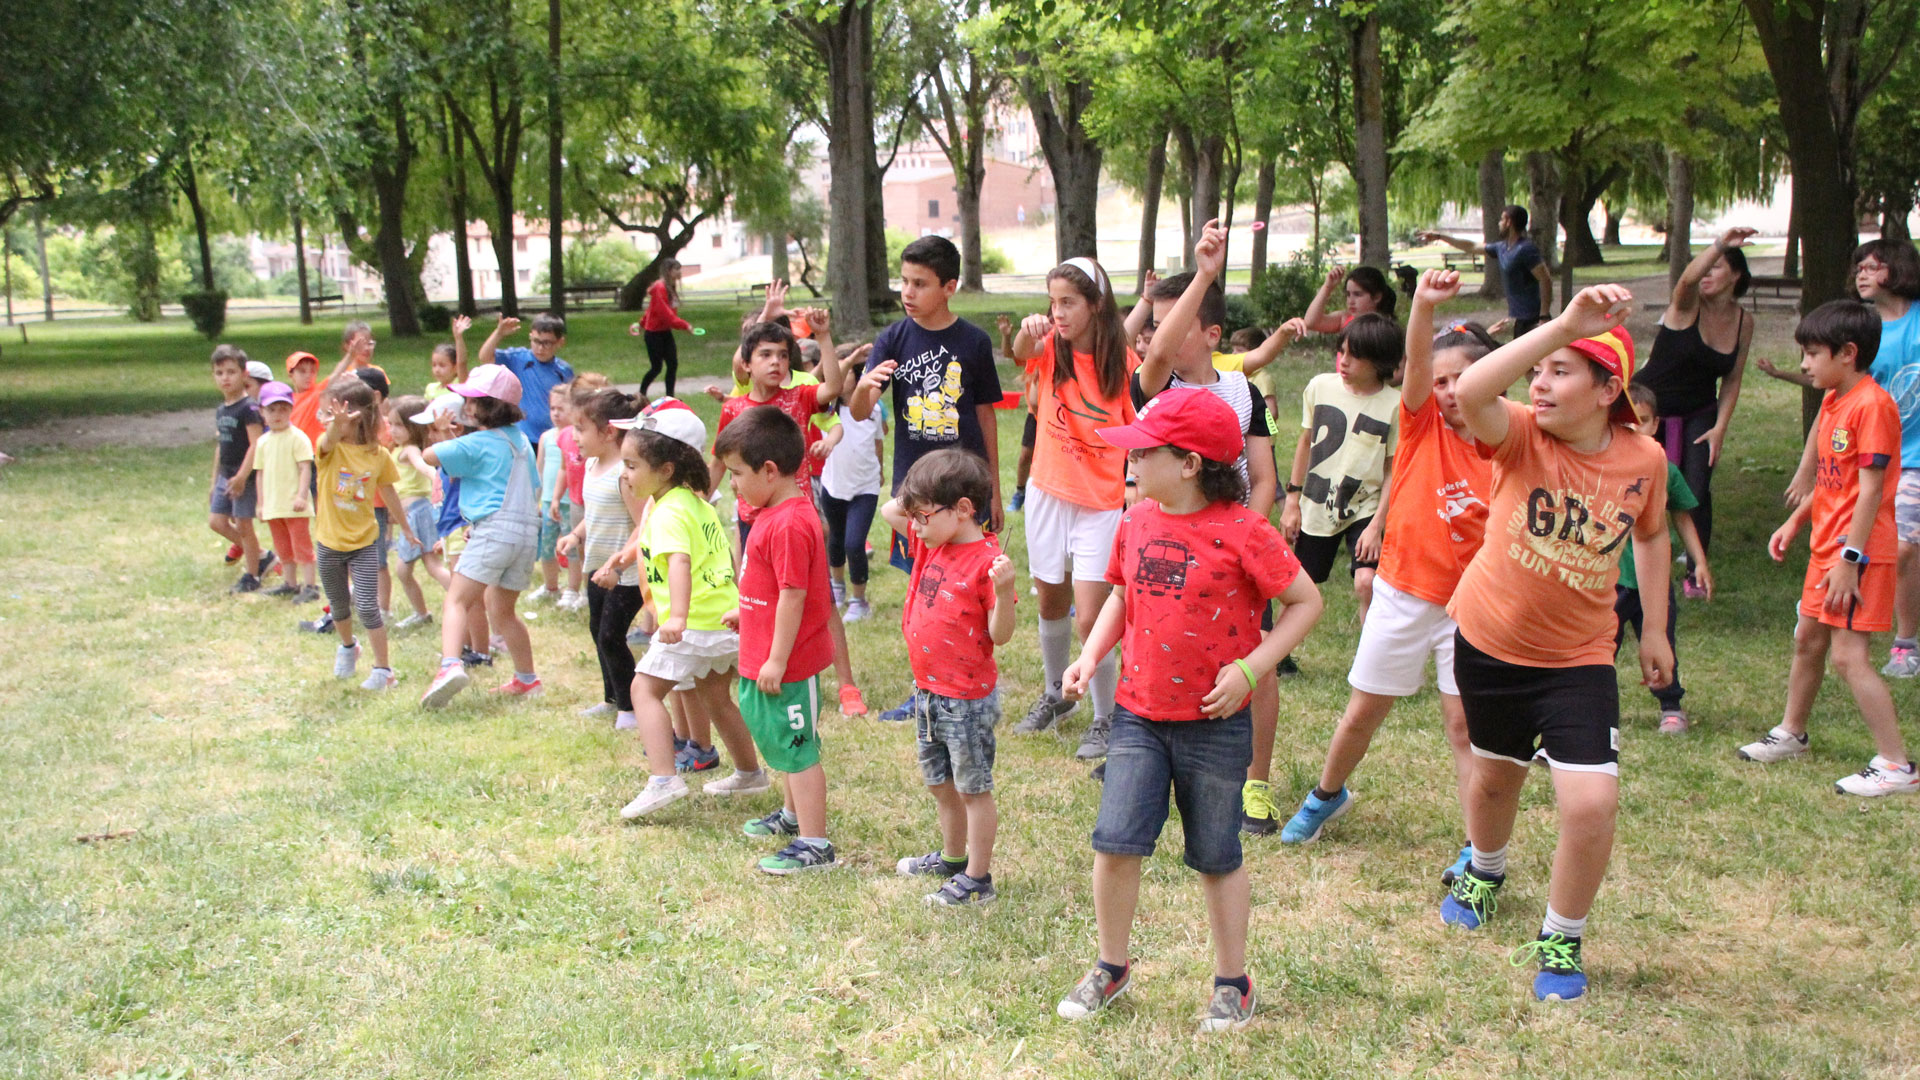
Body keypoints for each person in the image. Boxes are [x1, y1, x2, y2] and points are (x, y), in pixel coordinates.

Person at [1052, 388, 1322, 1032]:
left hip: (1215, 724)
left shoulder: (1245, 531)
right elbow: (1122, 594)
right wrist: (1090, 656)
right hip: (1139, 716)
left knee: (1216, 855)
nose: (1132, 465)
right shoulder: (1136, 519)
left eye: (1144, 454)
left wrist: (1251, 668)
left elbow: (1306, 603)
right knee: (1115, 845)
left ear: (1192, 463)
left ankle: (1234, 982)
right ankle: (1110, 967)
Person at [1439, 284, 1672, 1004]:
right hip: (1488, 641)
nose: (1540, 382)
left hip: (1579, 659)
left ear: (1609, 392)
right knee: (1496, 776)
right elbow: (1471, 390)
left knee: (1591, 803)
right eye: (1539, 370)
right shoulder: (1517, 433)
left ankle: (1562, 934)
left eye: (1562, 371)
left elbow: (1653, 535)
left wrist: (1656, 627)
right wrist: (1562, 327)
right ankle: (1485, 867)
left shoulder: (1644, 461)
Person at [1276, 271, 1492, 873]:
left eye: (1463, 380)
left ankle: (1478, 847)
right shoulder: (1419, 418)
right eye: (1441, 380)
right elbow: (1418, 367)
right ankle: (1327, 793)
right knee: (1362, 712)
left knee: (1461, 727)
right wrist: (1423, 304)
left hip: (1470, 608)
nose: (1450, 391)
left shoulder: (1509, 439)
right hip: (1403, 591)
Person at [1134, 221, 1286, 807]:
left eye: (1176, 320)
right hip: (1171, 545)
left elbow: (1264, 477)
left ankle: (1256, 782)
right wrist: (1203, 274)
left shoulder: (1243, 392)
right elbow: (1160, 354)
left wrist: (1245, 536)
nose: (1157, 335)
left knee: (1259, 660)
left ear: (1212, 332)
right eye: (1154, 323)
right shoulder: (1157, 386)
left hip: (1237, 546)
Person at [1740, 301, 1918, 796]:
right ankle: (1791, 733)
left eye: (1812, 353)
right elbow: (1833, 480)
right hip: (1829, 551)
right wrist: (1796, 521)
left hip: (1856, 555)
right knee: (1807, 639)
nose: (1803, 364)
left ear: (1848, 353)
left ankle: (1897, 765)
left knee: (1848, 656)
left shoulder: (1872, 405)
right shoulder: (1835, 400)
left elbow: (1870, 488)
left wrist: (1850, 559)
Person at [1007, 256, 1139, 746]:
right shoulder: (1050, 347)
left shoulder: (1123, 363)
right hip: (1046, 492)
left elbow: (1140, 429)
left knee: (1090, 615)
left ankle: (1106, 717)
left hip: (1100, 502)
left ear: (1096, 306)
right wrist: (1028, 330)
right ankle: (1055, 692)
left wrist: (1136, 488)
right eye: (1052, 302)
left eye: (1068, 303)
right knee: (1050, 599)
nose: (1057, 313)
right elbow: (1020, 351)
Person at [617, 401, 771, 815]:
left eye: (632, 465)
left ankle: (663, 779)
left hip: (693, 624)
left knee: (643, 690)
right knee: (716, 696)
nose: (625, 475)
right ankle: (749, 773)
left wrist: (678, 618)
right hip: (722, 620)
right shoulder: (696, 504)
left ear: (666, 469)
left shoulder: (667, 512)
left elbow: (679, 562)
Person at [880, 450, 1018, 905]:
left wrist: (1002, 593)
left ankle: (978, 878)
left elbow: (1001, 634)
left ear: (963, 510)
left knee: (972, 788)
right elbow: (889, 510)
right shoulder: (930, 541)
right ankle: (953, 858)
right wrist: (919, 497)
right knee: (940, 783)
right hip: (927, 692)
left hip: (965, 699)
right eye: (914, 516)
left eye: (921, 516)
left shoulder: (987, 563)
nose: (913, 526)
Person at [714, 313, 869, 718]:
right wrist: (701, 494)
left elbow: (833, 388)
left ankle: (846, 683)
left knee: (817, 600)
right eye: (765, 354)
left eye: (783, 355)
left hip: (795, 520)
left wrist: (824, 335)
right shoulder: (734, 407)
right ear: (745, 365)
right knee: (757, 597)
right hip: (751, 520)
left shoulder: (798, 397)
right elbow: (720, 460)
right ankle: (765, 666)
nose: (776, 363)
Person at [714, 407, 840, 874]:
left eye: (737, 474)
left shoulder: (789, 522)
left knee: (799, 748)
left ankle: (815, 845)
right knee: (784, 743)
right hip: (766, 650)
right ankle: (792, 817)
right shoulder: (770, 511)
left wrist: (776, 658)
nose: (732, 484)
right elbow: (769, 587)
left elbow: (794, 595)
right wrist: (747, 611)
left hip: (788, 663)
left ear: (769, 471)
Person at [1631, 227, 1755, 601]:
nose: (1707, 274)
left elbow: (1732, 380)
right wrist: (1718, 244)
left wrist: (1720, 427)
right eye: (1707, 266)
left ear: (1735, 275)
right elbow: (1686, 278)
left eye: (1717, 267)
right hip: (1648, 408)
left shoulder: (1743, 321)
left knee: (1695, 491)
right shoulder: (1686, 305)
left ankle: (1694, 573)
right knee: (1635, 484)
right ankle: (1625, 563)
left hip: (1700, 411)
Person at [849, 236, 1005, 531]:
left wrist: (994, 491)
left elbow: (986, 416)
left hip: (965, 483)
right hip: (914, 482)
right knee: (921, 573)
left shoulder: (975, 341)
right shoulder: (892, 339)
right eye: (904, 281)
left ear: (949, 287)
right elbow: (859, 412)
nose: (907, 293)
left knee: (963, 570)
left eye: (919, 284)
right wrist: (860, 387)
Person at [419, 364, 544, 707]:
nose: (466, 406)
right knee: (502, 610)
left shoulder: (478, 442)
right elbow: (530, 485)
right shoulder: (521, 442)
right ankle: (527, 678)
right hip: (525, 534)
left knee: (457, 599)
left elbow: (431, 456)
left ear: (489, 406)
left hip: (493, 529)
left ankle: (449, 666)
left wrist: (441, 431)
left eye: (472, 401)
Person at [1281, 313, 1402, 628]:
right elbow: (1305, 443)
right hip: (1318, 502)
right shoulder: (1320, 387)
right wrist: (1292, 501)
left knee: (1366, 581)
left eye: (1355, 355)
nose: (1344, 361)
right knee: (1300, 583)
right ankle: (1280, 657)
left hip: (1365, 505)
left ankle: (1370, 659)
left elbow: (1393, 469)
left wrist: (1377, 525)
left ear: (1380, 361)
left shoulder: (1395, 405)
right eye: (1342, 351)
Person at [312, 376, 418, 690]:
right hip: (329, 541)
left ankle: (383, 671)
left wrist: (407, 528)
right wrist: (334, 425)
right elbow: (328, 441)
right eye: (328, 415)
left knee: (369, 606)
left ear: (358, 417)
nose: (328, 420)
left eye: (333, 414)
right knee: (339, 605)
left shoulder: (378, 455)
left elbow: (388, 492)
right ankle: (348, 647)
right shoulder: (328, 449)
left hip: (365, 542)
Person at [1617, 383, 1711, 733]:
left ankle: (1671, 705)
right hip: (1610, 582)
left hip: (1653, 584)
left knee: (1661, 642)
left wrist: (1698, 561)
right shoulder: (1602, 467)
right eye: (1626, 421)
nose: (1633, 429)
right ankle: (1594, 709)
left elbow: (1682, 515)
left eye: (1641, 421)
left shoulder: (1664, 469)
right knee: (1597, 649)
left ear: (1655, 424)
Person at [554, 388, 647, 729]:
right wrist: (575, 534)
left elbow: (644, 524)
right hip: (598, 568)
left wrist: (619, 562)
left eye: (580, 429)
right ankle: (612, 698)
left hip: (627, 574)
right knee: (598, 631)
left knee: (612, 636)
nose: (573, 437)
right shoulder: (594, 465)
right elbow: (593, 514)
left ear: (608, 433)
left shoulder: (624, 474)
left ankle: (631, 708)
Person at [1418, 205, 1553, 337]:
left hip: (1533, 318)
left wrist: (1544, 315)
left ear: (1508, 222)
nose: (1499, 223)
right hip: (1519, 318)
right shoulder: (1502, 248)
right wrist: (1440, 236)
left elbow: (1545, 279)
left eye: (1501, 219)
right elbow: (1471, 246)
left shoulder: (1526, 249)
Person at [820, 360, 885, 622]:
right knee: (835, 539)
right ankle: (837, 586)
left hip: (865, 487)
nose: (839, 378)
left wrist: (880, 471)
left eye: (845, 373)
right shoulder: (825, 411)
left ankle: (860, 601)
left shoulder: (873, 409)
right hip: (833, 485)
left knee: (854, 543)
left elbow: (878, 442)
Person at [208, 345, 271, 593]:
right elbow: (220, 446)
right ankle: (262, 554)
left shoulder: (249, 408)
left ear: (244, 374)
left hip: (243, 475)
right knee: (217, 521)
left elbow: (256, 444)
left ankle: (252, 574)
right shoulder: (222, 409)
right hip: (226, 473)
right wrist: (214, 481)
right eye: (219, 372)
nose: (225, 378)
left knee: (244, 525)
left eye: (231, 372)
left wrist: (243, 476)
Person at [253, 381, 319, 603]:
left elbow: (305, 467)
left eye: (283, 408)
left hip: (294, 504)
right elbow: (260, 473)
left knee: (302, 546)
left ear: (291, 409)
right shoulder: (262, 442)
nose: (277, 414)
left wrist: (302, 495)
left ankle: (311, 585)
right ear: (262, 412)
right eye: (271, 409)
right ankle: (290, 583)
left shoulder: (298, 437)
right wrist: (261, 504)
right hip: (274, 505)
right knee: (283, 547)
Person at [387, 396, 449, 631]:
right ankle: (422, 612)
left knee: (425, 567)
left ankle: (459, 598)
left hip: (417, 514)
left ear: (413, 427)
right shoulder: (399, 449)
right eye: (391, 424)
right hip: (411, 515)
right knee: (406, 570)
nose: (393, 430)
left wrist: (436, 478)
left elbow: (422, 465)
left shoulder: (410, 450)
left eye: (399, 425)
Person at [476, 313, 576, 442]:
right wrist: (498, 333)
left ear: (560, 342)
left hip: (552, 437)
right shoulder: (518, 358)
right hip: (521, 437)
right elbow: (484, 357)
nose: (540, 348)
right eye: (536, 341)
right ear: (530, 337)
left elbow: (571, 403)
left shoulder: (564, 370)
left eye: (547, 343)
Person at [530, 382, 574, 605]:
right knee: (546, 549)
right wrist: (535, 501)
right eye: (552, 409)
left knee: (573, 550)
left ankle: (574, 590)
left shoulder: (577, 437)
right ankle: (551, 586)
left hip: (570, 502)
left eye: (561, 409)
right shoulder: (546, 437)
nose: (555, 414)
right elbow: (539, 469)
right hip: (548, 502)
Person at [639, 258, 694, 397]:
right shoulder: (660, 287)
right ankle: (641, 394)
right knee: (656, 367)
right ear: (669, 271)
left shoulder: (670, 287)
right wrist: (685, 325)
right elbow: (665, 314)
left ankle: (670, 397)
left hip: (664, 332)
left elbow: (652, 310)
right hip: (653, 334)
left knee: (672, 364)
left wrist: (641, 323)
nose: (679, 272)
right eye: (677, 269)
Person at [1299, 265, 1398, 335]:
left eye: (1357, 294)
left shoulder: (1387, 330)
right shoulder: (1345, 319)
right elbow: (1311, 322)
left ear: (1377, 297)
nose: (1351, 301)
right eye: (1348, 294)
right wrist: (1327, 287)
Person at [424, 314, 472, 398]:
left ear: (455, 368)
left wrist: (458, 337)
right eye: (434, 365)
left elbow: (462, 363)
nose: (437, 370)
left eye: (442, 365)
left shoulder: (459, 385)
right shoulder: (430, 388)